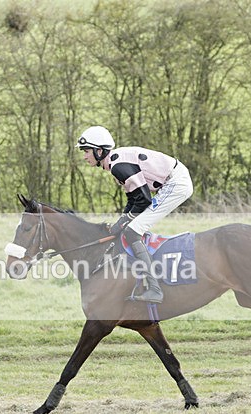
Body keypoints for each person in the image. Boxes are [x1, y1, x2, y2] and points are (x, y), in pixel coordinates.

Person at [76, 125, 193, 303]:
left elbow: (143, 199)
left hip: (176, 183)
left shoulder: (118, 167)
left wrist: (124, 223)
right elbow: (133, 199)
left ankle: (155, 289)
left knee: (132, 231)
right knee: (129, 227)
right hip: (174, 181)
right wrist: (120, 222)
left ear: (99, 151)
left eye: (86, 151)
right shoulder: (115, 164)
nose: (84, 156)